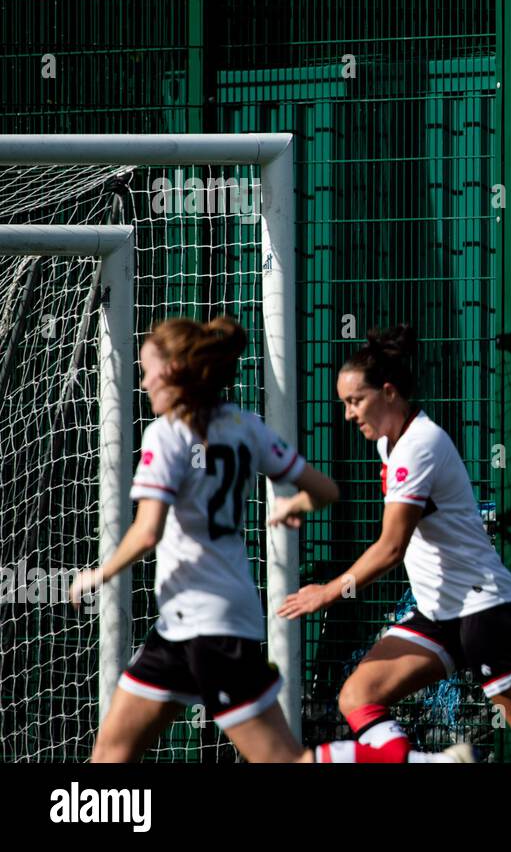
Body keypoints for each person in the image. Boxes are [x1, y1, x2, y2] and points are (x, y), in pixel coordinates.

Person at [279, 325, 511, 763]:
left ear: (389, 392)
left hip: (485, 610)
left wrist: (329, 592)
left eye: (355, 401)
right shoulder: (389, 442)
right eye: (344, 403)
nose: (348, 414)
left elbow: (390, 548)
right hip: (439, 613)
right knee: (359, 696)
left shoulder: (419, 446)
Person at [71, 316, 338, 762]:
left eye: (147, 370)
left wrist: (97, 574)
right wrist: (295, 505)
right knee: (110, 754)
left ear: (174, 371)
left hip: (212, 628)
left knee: (285, 761)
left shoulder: (169, 434)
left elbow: (148, 531)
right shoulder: (244, 425)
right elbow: (325, 491)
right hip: (179, 627)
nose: (143, 381)